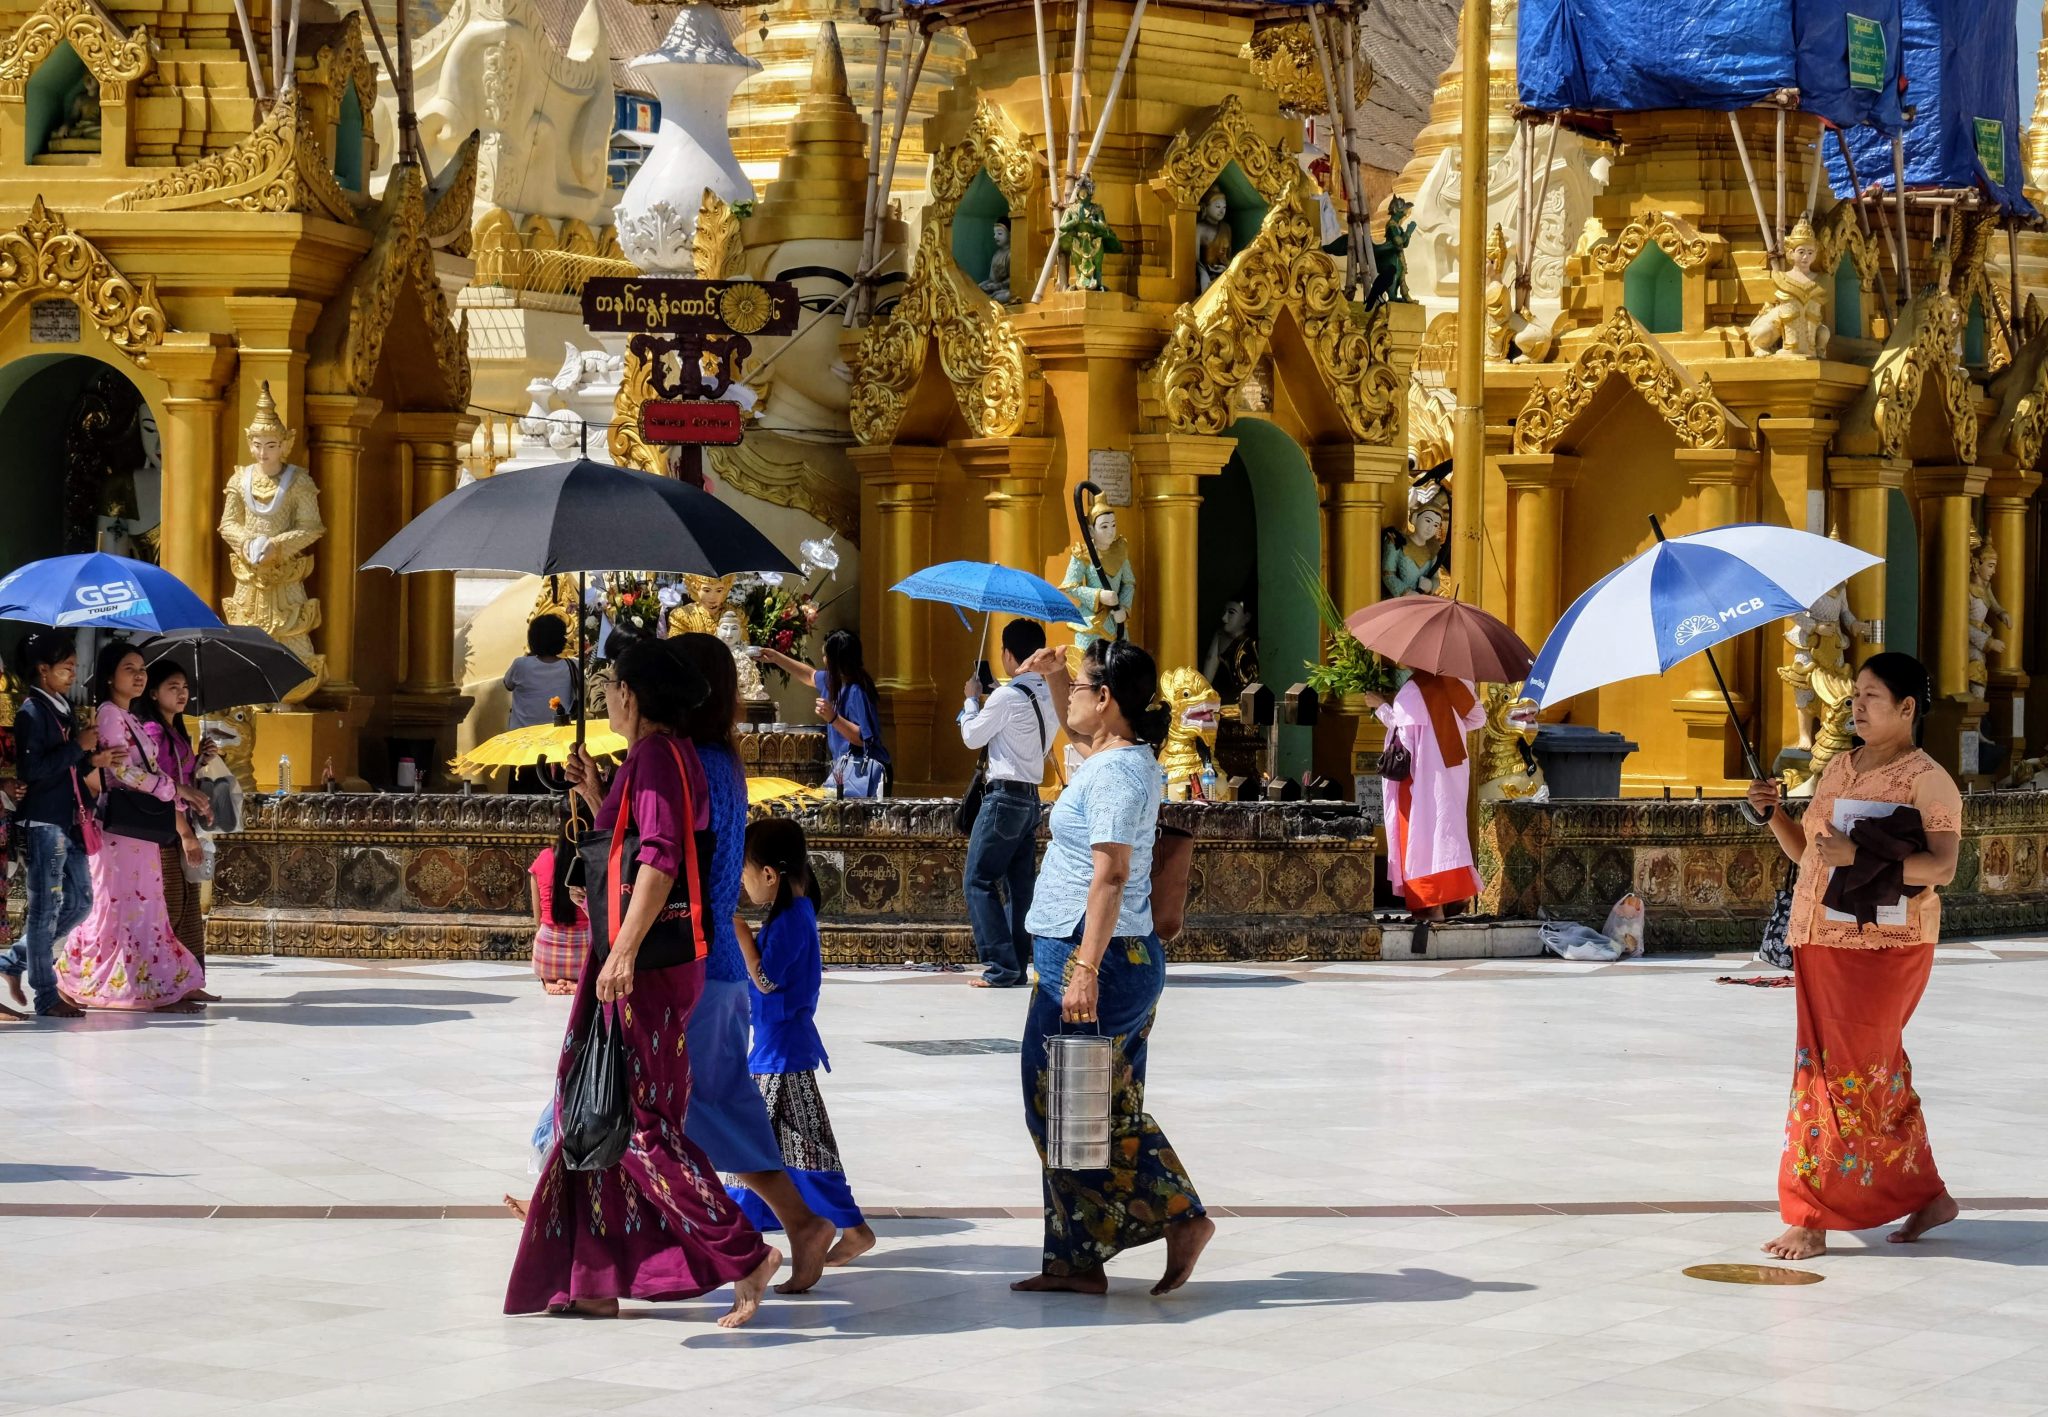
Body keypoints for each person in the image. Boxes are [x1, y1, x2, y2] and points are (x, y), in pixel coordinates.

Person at [505, 635, 780, 1326]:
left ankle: (745, 1252)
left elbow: (658, 857)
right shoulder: (665, 756)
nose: (606, 701)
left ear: (631, 695)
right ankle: (592, 1278)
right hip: (639, 960)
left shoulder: (659, 755)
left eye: (610, 690)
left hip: (644, 966)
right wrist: (602, 791)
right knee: (589, 1107)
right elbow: (638, 841)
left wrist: (623, 951)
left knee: (632, 1123)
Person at [1009, 638, 1214, 1296]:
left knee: (1060, 1108)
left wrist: (1086, 967)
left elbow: (1114, 872)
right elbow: (1079, 728)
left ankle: (1179, 1213)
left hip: (1102, 956)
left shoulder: (1122, 770)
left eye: (1080, 688)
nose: (1068, 697)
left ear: (1108, 700)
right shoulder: (1106, 758)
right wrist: (1058, 673)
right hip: (1090, 953)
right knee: (1089, 1109)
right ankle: (1074, 1261)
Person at [1746, 653, 1961, 1262]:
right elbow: (1808, 855)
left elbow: (1940, 867)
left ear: (1907, 708)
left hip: (1885, 948)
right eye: (1856, 696)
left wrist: (1863, 861)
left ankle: (1811, 1213)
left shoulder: (1928, 779)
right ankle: (1927, 1195)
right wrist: (1774, 816)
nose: (1856, 705)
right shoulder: (1840, 768)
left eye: (1870, 696)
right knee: (1861, 1073)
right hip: (1819, 938)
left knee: (1841, 1078)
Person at [667, 632, 837, 1289]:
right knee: (710, 1105)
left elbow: (666, 860)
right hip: (713, 966)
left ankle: (781, 1228)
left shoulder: (697, 764)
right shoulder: (717, 759)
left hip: (697, 963)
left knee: (700, 1105)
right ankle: (793, 1223)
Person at [733, 817, 875, 1263]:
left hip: (782, 1051)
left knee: (803, 1151)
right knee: (758, 1150)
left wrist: (738, 933)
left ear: (770, 875)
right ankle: (745, 1236)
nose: (744, 885)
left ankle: (851, 1228)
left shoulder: (793, 918)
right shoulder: (792, 914)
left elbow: (769, 980)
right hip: (774, 1047)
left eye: (745, 875)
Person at [59, 644, 208, 1012]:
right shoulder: (110, 715)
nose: (139, 675)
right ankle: (73, 977)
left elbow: (146, 770)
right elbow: (120, 772)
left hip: (137, 830)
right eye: (130, 669)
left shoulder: (130, 718)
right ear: (111, 676)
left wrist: (179, 794)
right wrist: (175, 789)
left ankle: (154, 985)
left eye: (142, 669)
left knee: (142, 905)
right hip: (118, 828)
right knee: (119, 906)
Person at [1, 631, 119, 1019]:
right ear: (43, 669)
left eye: (73, 666)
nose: (72, 672)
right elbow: (33, 770)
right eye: (66, 667)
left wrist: (92, 760)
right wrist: (77, 748)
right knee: (45, 909)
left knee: (81, 902)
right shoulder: (31, 712)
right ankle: (46, 994)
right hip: (42, 821)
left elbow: (68, 766)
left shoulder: (62, 707)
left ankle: (12, 962)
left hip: (69, 818)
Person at [959, 618, 1053, 989]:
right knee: (1019, 885)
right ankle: (1015, 963)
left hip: (1003, 798)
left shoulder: (1004, 696)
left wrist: (970, 699)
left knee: (978, 879)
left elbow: (970, 737)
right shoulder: (1046, 694)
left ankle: (1000, 964)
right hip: (1031, 799)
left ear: (1009, 654)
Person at [1364, 668, 1486, 935]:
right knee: (1447, 833)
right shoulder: (1459, 680)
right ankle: (1453, 900)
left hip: (1420, 778)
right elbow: (1477, 718)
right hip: (1452, 771)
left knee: (1419, 839)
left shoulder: (1412, 690)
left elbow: (1403, 735)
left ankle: (1432, 908)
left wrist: (1381, 706)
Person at [136, 659, 221, 1003]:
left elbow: (183, 781)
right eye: (172, 687)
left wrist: (198, 759)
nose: (181, 693)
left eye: (184, 687)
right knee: (170, 903)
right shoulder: (154, 731)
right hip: (165, 828)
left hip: (176, 824)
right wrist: (185, 834)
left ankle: (186, 980)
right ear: (153, 693)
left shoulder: (174, 731)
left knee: (187, 906)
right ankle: (164, 981)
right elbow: (164, 787)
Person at [758, 629, 889, 787]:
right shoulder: (832, 681)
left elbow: (862, 739)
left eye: (826, 655)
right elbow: (809, 675)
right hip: (845, 769)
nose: (823, 659)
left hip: (866, 773)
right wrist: (777, 658)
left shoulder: (857, 691)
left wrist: (833, 718)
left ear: (836, 659)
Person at [504, 615, 580, 794]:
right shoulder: (572, 666)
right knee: (557, 800)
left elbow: (508, 684)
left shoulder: (520, 665)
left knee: (521, 802)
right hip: (558, 748)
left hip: (522, 746)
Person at [528, 798, 588, 995]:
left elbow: (539, 921)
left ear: (560, 822)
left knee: (543, 933)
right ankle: (578, 980)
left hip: (547, 957)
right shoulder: (595, 861)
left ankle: (552, 979)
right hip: (585, 957)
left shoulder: (544, 858)